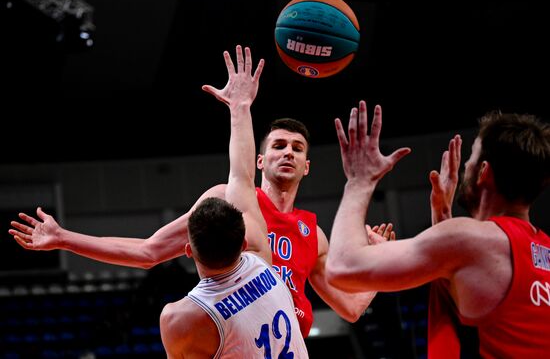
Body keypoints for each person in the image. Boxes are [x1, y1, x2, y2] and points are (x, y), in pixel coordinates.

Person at [9, 52, 392, 339]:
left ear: (307, 166)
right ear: (259, 160)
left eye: (297, 148)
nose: (288, 152)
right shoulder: (229, 200)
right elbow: (148, 252)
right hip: (232, 341)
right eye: (278, 145)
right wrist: (63, 238)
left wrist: (378, 259)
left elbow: (352, 308)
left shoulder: (315, 234)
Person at [326, 101, 550, 358]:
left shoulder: (472, 239)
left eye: (472, 158)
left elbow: (341, 267)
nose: (466, 166)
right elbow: (474, 293)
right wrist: (443, 219)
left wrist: (359, 181)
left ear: (483, 172)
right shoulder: (540, 248)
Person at [159, 45, 308, 358]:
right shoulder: (263, 265)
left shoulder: (179, 318)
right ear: (244, 243)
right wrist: (240, 107)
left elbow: (242, 175)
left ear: (188, 250)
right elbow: (241, 175)